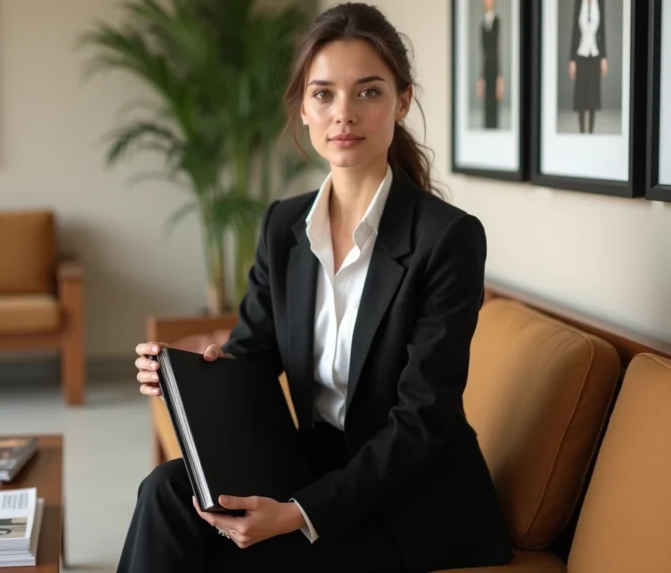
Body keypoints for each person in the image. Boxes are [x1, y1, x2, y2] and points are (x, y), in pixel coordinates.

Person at [119, 3, 514, 572]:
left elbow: (421, 421)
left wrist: (299, 512)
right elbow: (253, 357)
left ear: (402, 101)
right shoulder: (284, 226)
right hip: (309, 465)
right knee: (164, 492)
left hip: (410, 504)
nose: (343, 114)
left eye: (369, 92)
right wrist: (188, 374)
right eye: (324, 94)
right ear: (303, 107)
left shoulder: (447, 239)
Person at [569, 0, 608, 134]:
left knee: (593, 94)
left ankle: (591, 132)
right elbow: (574, 30)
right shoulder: (579, 3)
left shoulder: (600, 3)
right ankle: (582, 132)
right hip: (581, 52)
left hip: (595, 53)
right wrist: (572, 60)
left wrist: (604, 57)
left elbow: (602, 30)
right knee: (581, 94)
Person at [476, 0, 504, 129]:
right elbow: (484, 51)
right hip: (486, 66)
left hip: (494, 66)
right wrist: (481, 76)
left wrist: (499, 75)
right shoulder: (482, 23)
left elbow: (496, 48)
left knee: (494, 102)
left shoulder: (497, 21)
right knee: (487, 102)